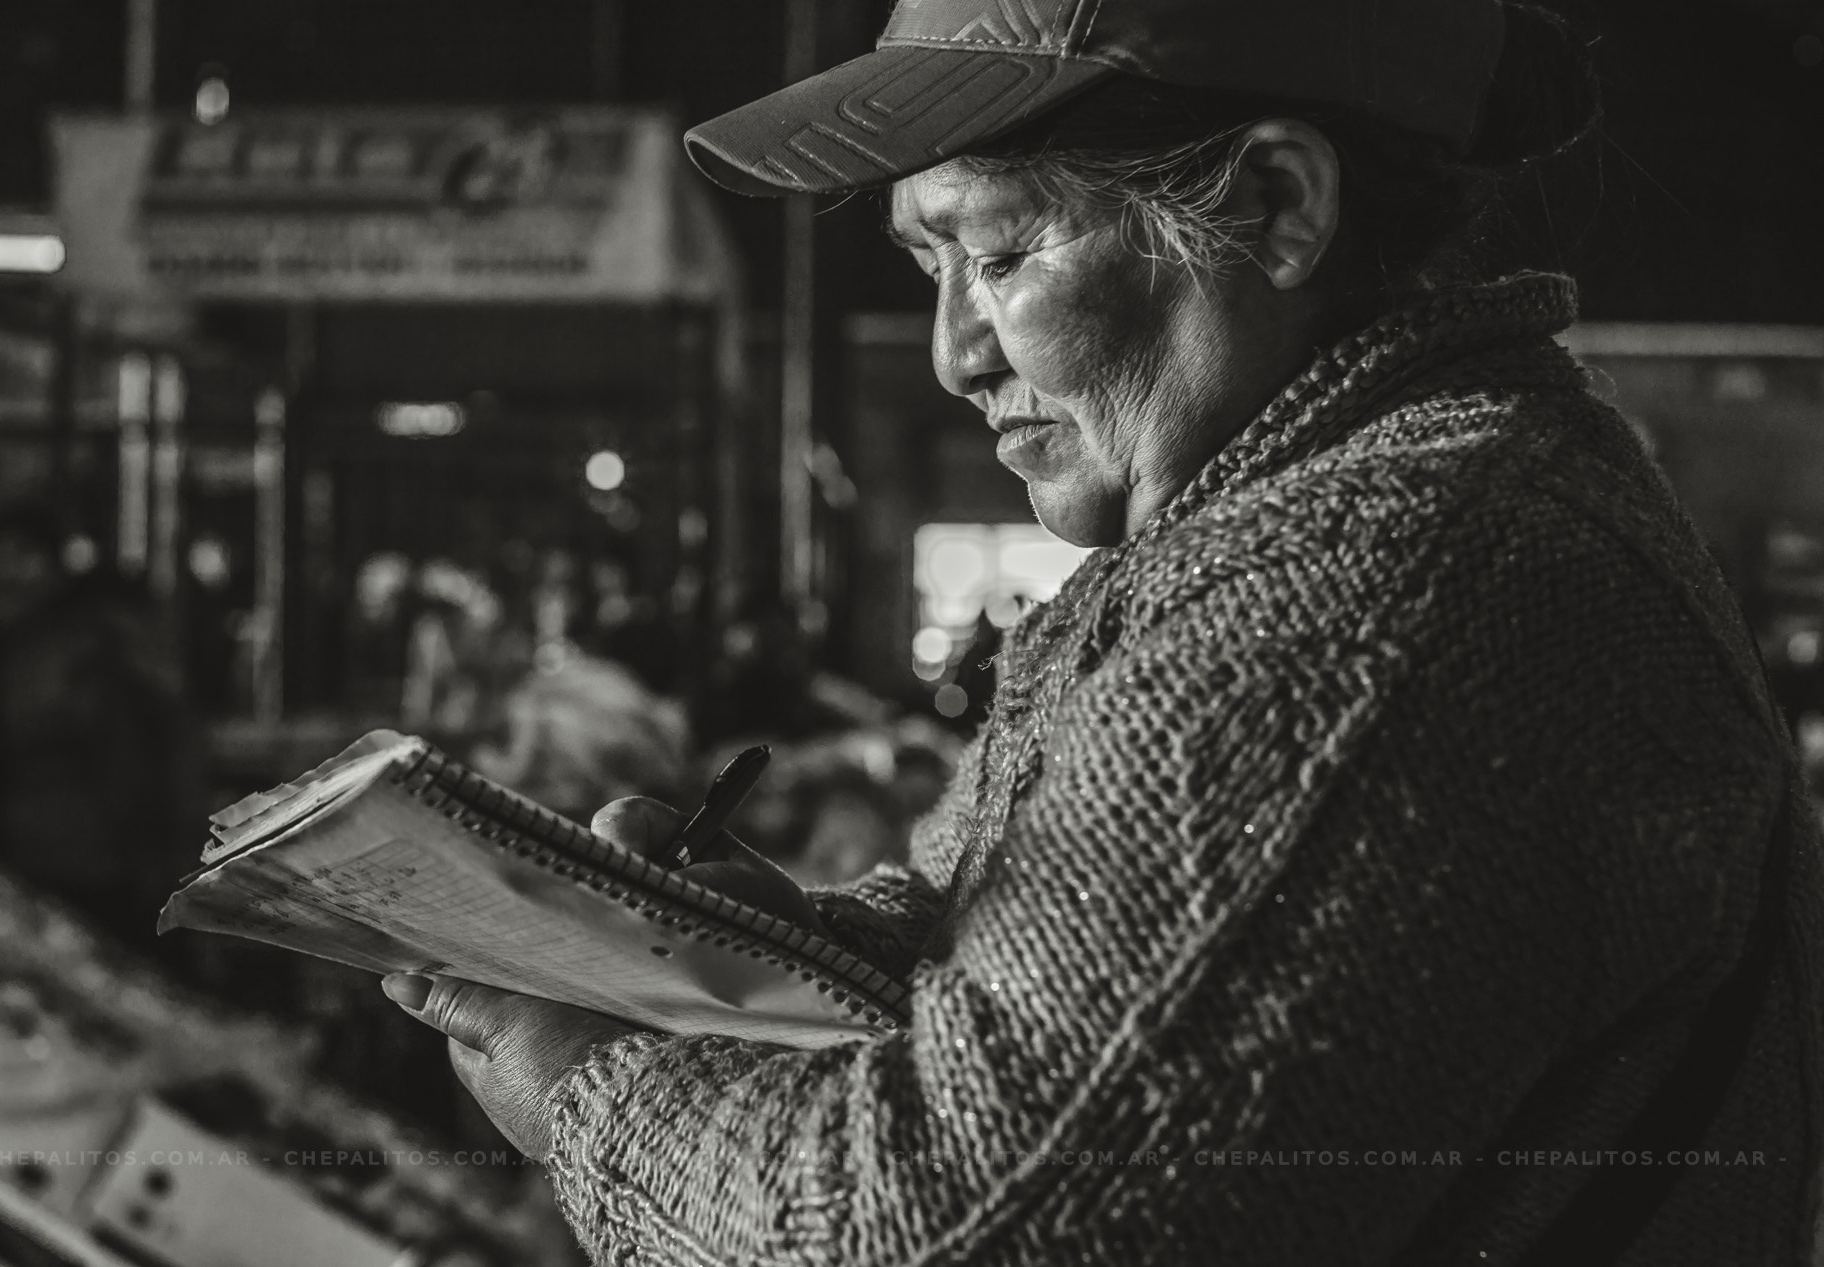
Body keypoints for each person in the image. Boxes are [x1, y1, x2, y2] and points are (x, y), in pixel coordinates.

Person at [379, 2, 1824, 1262]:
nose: (954, 348)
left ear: (1273, 205)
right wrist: (772, 952)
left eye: (1000, 252)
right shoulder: (1277, 536)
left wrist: (587, 1087)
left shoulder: (1359, 608)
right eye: (925, 266)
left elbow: (948, 1233)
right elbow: (1065, 983)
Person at [0, 504, 203, 949]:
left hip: (96, 873)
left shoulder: (95, 655)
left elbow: (150, 760)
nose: (6, 572)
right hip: (13, 869)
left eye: (21, 556)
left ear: (53, 570)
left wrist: (161, 860)